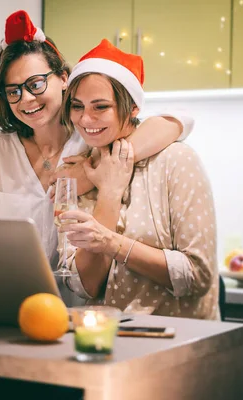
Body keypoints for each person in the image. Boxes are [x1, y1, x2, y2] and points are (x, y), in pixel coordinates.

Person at [0, 10, 194, 277]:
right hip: (12, 293)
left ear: (63, 78)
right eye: (13, 91)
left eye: (35, 84)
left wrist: (89, 170)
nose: (26, 98)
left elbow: (179, 121)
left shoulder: (90, 137)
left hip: (78, 303)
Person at [59, 39, 219, 320]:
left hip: (177, 344)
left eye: (100, 107)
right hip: (104, 341)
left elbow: (197, 275)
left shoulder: (176, 161)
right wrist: (108, 192)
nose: (86, 119)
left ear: (133, 108)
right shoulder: (74, 174)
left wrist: (112, 243)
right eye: (77, 106)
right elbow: (85, 285)